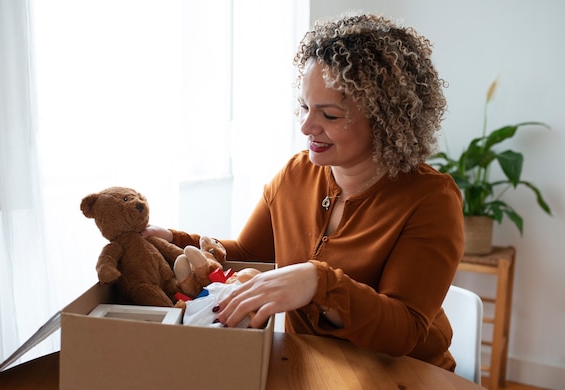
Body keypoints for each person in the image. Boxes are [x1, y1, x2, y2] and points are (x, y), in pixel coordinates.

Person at [145, 13, 464, 371]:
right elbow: (249, 253)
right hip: (315, 370)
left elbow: (402, 329)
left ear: (388, 119)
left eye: (329, 115)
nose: (306, 126)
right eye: (304, 106)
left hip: (403, 378)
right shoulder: (295, 174)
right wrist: (170, 238)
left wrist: (318, 282)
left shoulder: (431, 199)